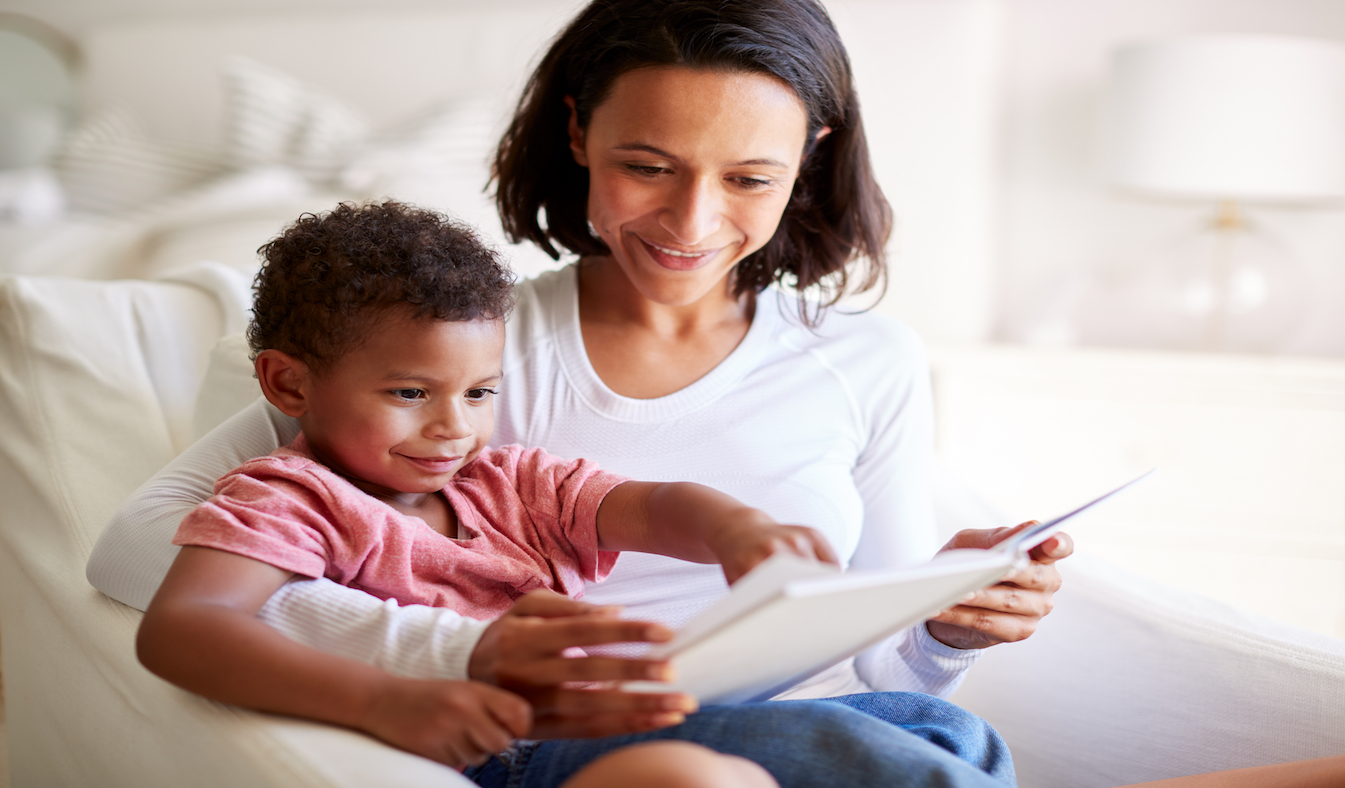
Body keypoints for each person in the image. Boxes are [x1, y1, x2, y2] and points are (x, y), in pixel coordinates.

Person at [88, 1, 1070, 785]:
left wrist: (940, 622)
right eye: (647, 166)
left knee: (939, 730)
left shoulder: (868, 361)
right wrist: (442, 652)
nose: (691, 220)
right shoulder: (454, 345)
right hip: (569, 730)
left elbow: (863, 653)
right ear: (578, 133)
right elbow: (140, 550)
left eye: (747, 177)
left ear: (808, 155)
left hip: (779, 711)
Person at [137, 201, 834, 787]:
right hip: (508, 751)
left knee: (929, 725)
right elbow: (183, 625)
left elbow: (649, 507)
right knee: (739, 772)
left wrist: (733, 530)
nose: (452, 427)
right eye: (410, 393)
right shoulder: (294, 498)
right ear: (289, 385)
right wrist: (387, 701)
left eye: (479, 393)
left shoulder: (510, 482)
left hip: (609, 724)